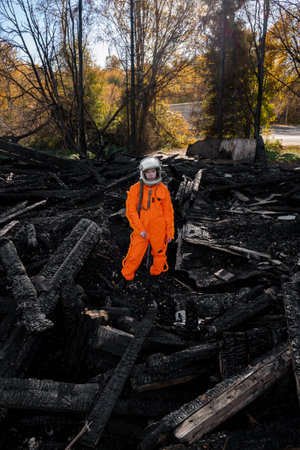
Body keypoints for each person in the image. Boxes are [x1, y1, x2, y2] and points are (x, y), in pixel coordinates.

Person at [117, 156, 174, 288]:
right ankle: (126, 277)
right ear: (143, 173)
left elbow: (168, 212)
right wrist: (139, 229)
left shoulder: (163, 189)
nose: (151, 174)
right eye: (148, 172)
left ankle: (156, 276)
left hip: (159, 229)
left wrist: (169, 232)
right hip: (142, 229)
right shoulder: (136, 189)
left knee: (159, 254)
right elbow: (131, 211)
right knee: (134, 254)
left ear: (158, 172)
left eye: (153, 171)